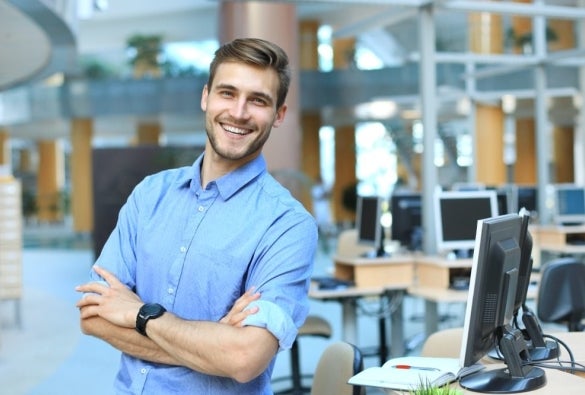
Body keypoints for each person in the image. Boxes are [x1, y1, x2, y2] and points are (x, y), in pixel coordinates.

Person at [76, 37, 318, 394]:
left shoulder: (288, 226)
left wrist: (139, 313)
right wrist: (211, 342)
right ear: (206, 97)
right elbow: (93, 316)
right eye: (227, 93)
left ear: (279, 114)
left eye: (258, 100)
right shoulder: (149, 195)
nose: (238, 112)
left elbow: (244, 359)